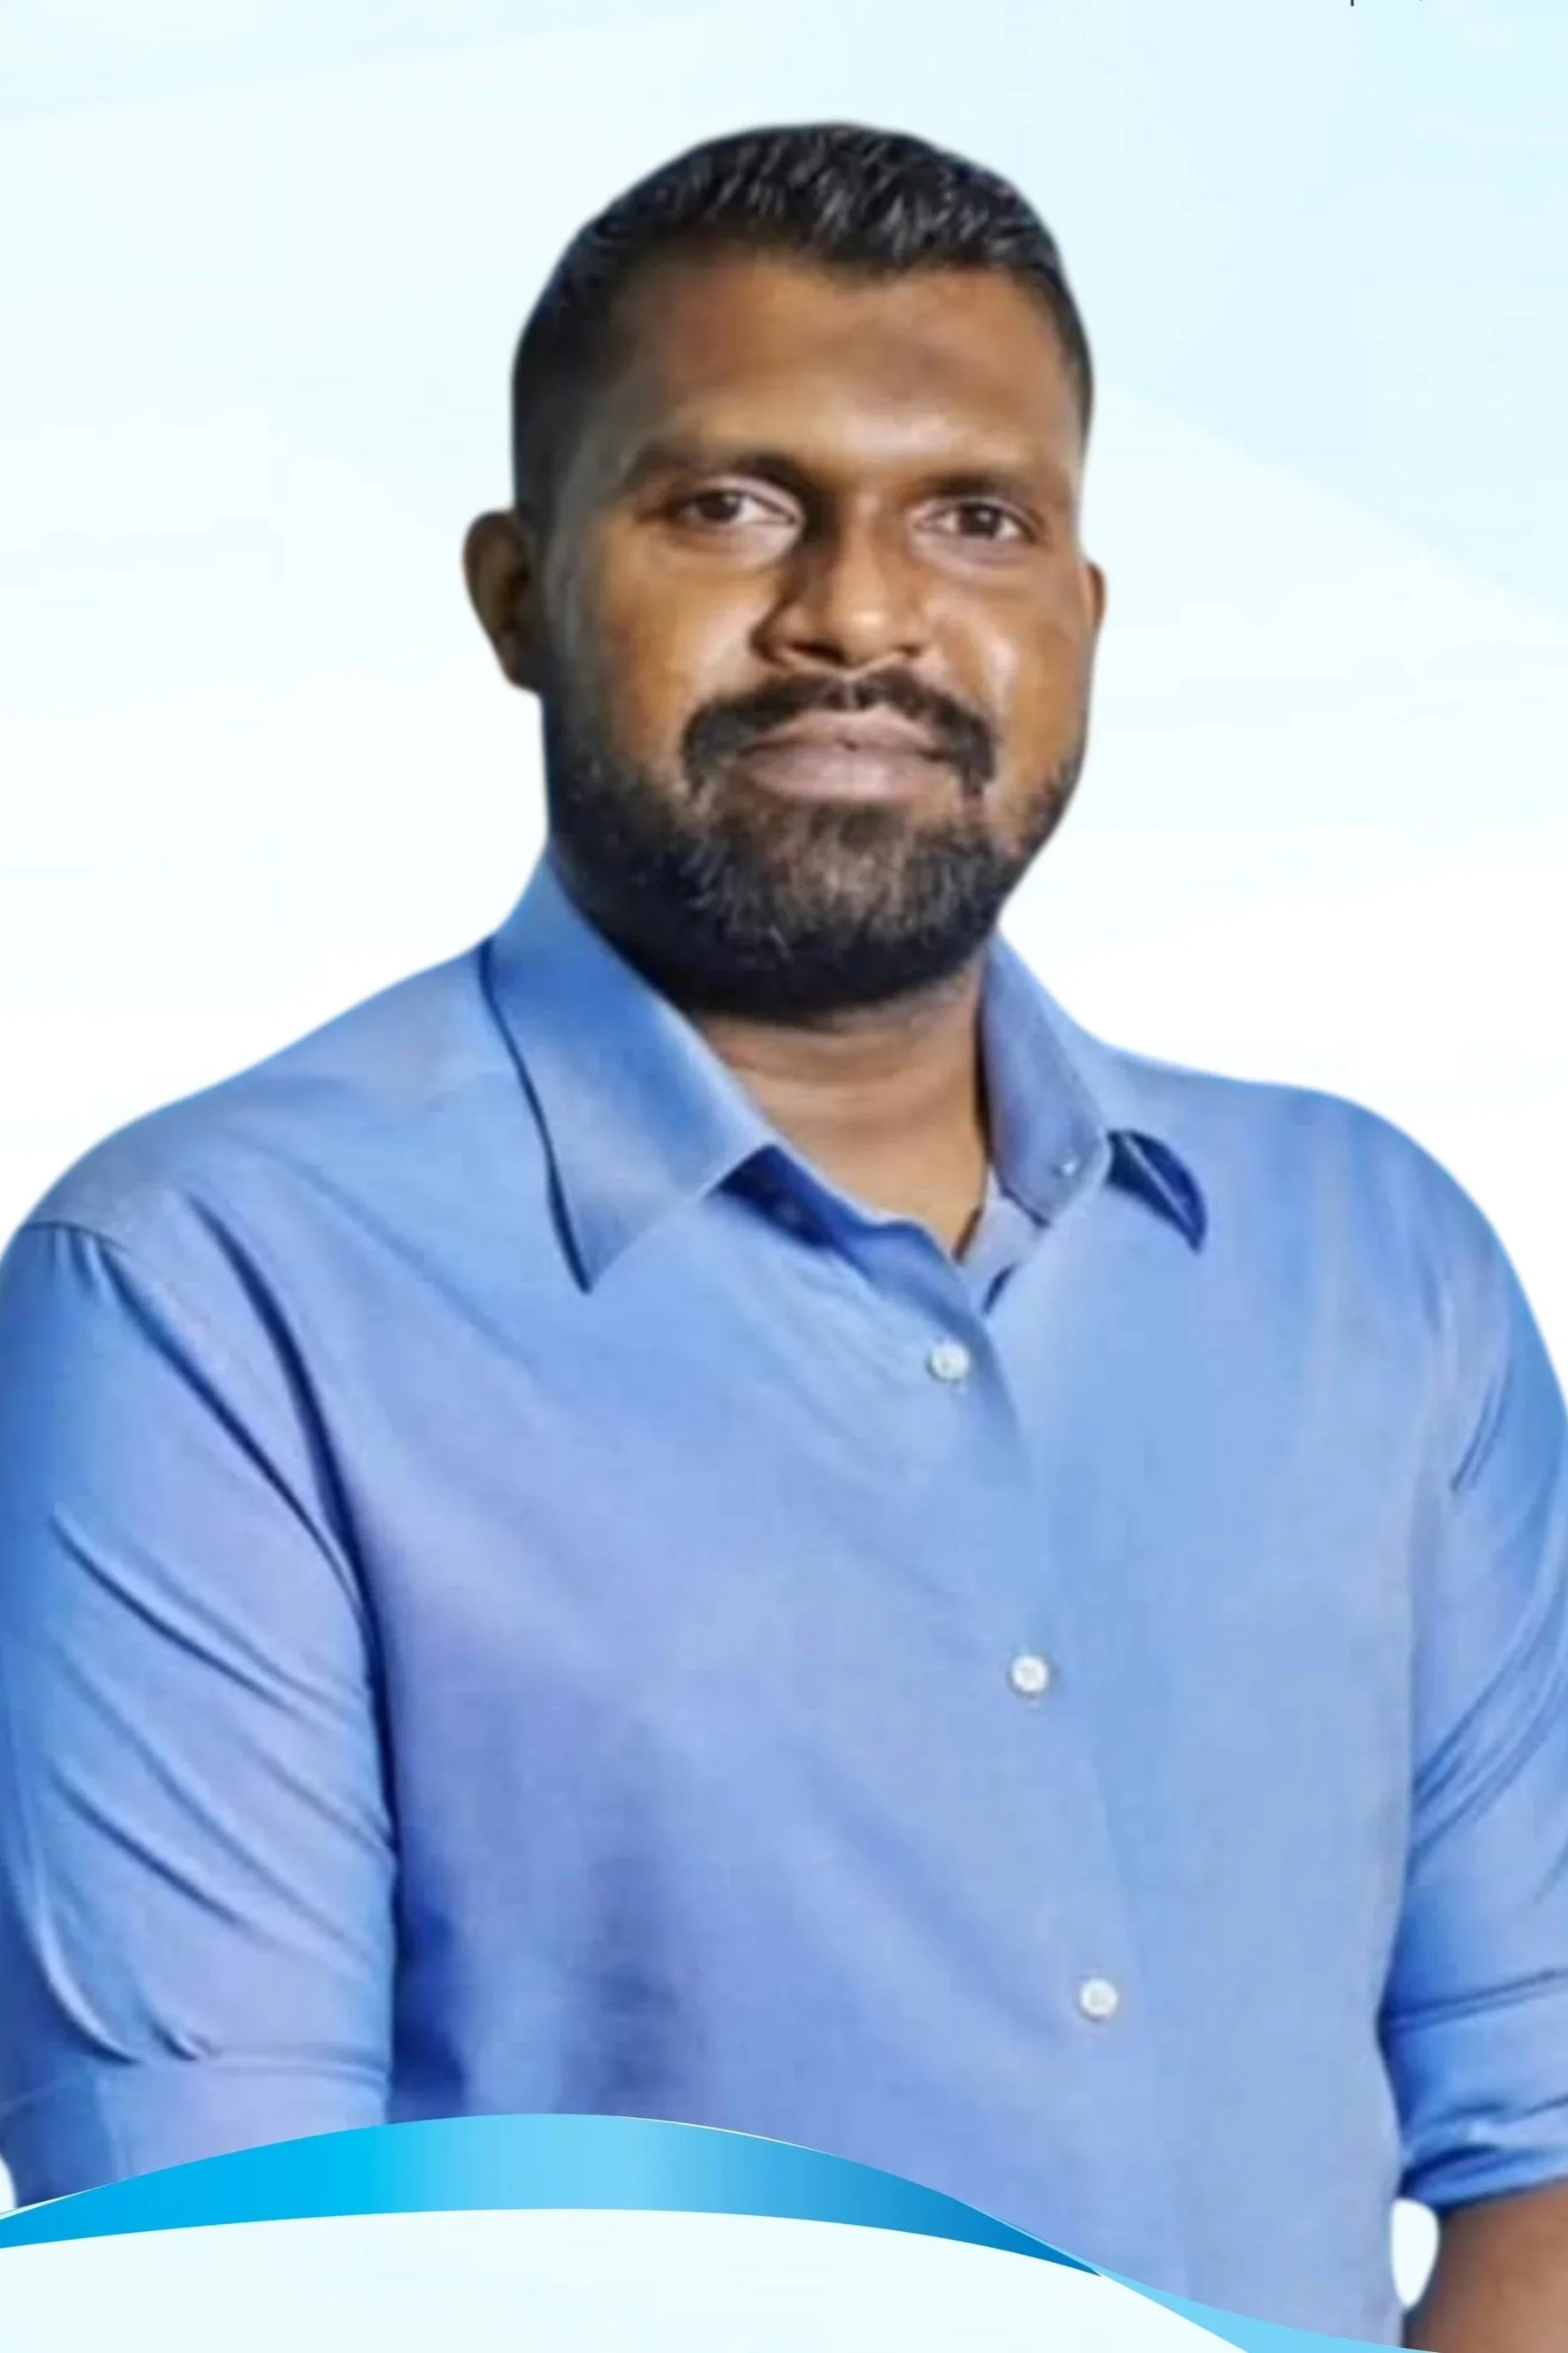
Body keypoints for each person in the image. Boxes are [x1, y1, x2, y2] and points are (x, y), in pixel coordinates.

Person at [0, 122, 1564, 2349]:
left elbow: (1539, 2155)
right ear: (516, 592)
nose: (858, 613)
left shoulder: (1370, 1267)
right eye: (730, 504)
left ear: (1080, 614)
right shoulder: (205, 1292)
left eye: (974, 518)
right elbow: (238, 2270)